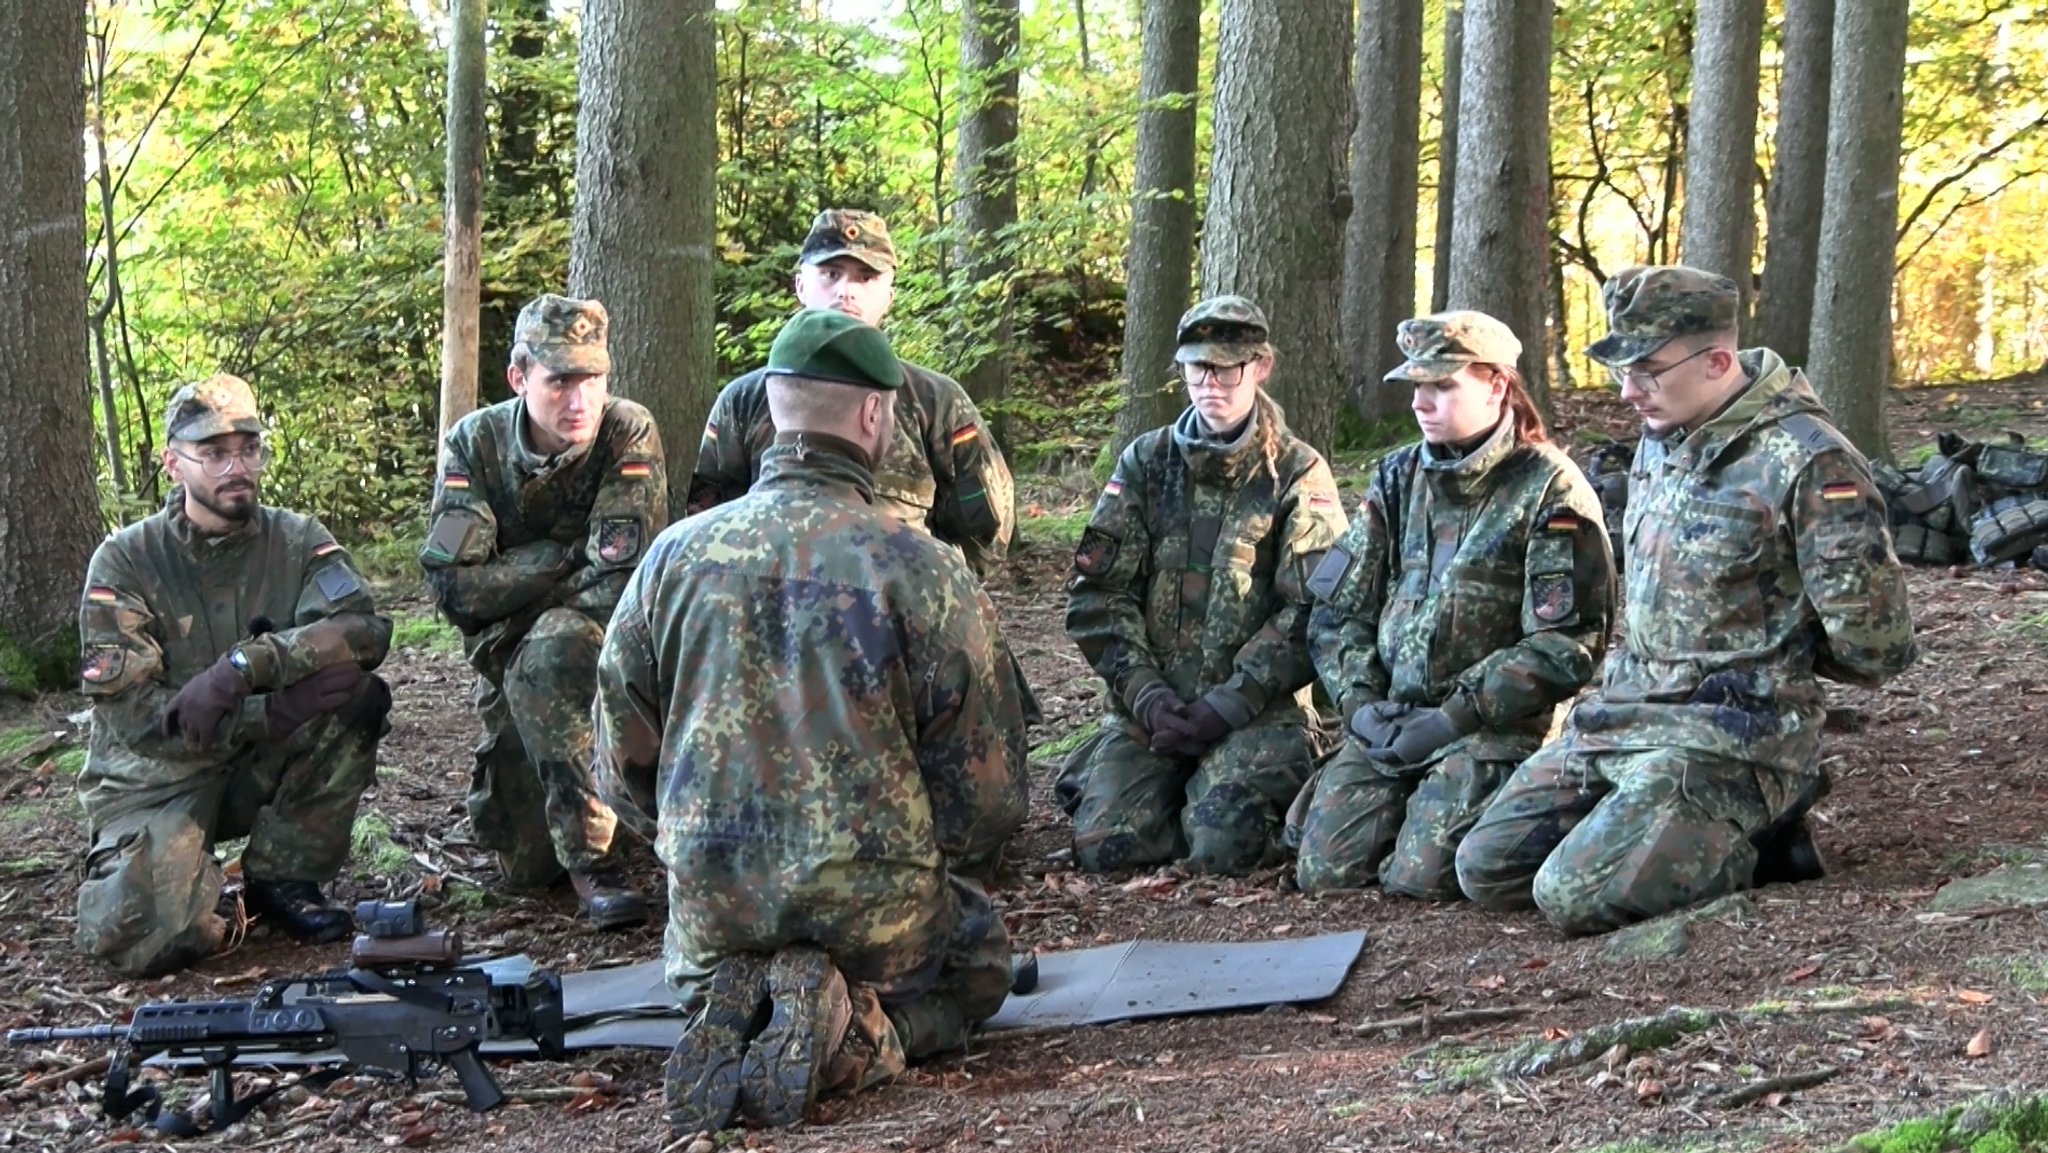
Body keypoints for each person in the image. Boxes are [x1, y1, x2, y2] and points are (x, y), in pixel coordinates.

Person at [594, 308, 1029, 1133]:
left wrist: (693, 841)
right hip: (876, 921)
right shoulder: (923, 565)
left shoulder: (672, 559)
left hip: (716, 916)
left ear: (770, 408)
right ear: (874, 415)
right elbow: (989, 794)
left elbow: (618, 758)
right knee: (977, 961)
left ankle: (743, 1001)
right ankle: (857, 1033)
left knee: (730, 940)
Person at [1454, 265, 1917, 934]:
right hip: (1629, 714)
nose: (1627, 390)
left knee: (1570, 896)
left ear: (1718, 361)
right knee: (1485, 867)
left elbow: (1878, 645)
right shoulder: (1666, 432)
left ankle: (1754, 830)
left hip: (1733, 736)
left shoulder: (1809, 461)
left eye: (1647, 370)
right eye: (1625, 370)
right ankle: (1666, 823)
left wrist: (1772, 664)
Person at [74, 374, 392, 977]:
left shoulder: (298, 540)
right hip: (159, 778)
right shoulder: (125, 560)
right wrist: (269, 712)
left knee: (357, 698)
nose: (236, 467)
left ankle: (284, 876)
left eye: (248, 449)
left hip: (261, 761)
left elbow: (364, 630)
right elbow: (135, 717)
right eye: (214, 454)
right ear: (173, 463)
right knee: (150, 942)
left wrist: (247, 667)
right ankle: (139, 861)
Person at [1287, 312, 1615, 897]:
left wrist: (1451, 718)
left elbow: (1566, 643)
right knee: (1325, 873)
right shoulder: (1396, 478)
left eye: (1442, 386)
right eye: (1417, 387)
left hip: (1490, 728)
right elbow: (1338, 609)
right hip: (1390, 719)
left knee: (1423, 878)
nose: (1422, 402)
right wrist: (1360, 703)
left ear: (1496, 385)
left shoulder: (1549, 489)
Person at [1061, 295, 1349, 875]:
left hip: (1254, 712)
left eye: (1226, 368)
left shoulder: (1297, 471)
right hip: (1154, 709)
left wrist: (1229, 703)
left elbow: (1314, 608)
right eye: (1198, 368)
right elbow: (1097, 595)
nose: (1210, 383)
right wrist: (1145, 694)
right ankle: (1124, 775)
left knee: (1224, 848)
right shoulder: (1146, 462)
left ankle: (1267, 776)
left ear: (1261, 366)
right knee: (1107, 849)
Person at [420, 294, 666, 928]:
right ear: (520, 377)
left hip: (607, 644)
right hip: (506, 656)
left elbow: (619, 582)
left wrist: (519, 579)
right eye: (560, 381)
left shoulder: (626, 431)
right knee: (525, 864)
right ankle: (590, 809)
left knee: (556, 644)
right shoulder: (475, 443)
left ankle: (597, 859)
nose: (579, 400)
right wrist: (561, 559)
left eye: (592, 379)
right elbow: (454, 590)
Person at [684, 209, 1016, 577]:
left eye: (866, 277)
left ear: (889, 295)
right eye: (830, 274)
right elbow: (707, 520)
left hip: (898, 614)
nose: (847, 291)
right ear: (800, 287)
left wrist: (928, 586)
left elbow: (987, 529)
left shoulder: (936, 401)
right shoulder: (744, 400)